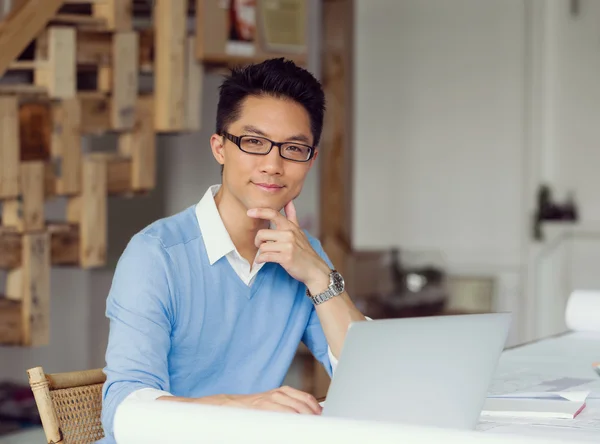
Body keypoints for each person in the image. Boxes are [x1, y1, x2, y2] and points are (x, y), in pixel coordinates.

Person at [100, 58, 367, 441]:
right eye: (254, 142)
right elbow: (123, 410)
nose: (273, 165)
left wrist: (318, 275)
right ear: (220, 148)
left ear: (311, 160)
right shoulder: (155, 255)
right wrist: (242, 406)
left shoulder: (302, 254)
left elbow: (368, 379)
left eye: (294, 148)